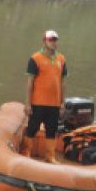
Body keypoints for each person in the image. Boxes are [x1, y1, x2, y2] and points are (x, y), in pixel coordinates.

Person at [24, 29, 67, 163]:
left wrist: (62, 103)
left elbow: (62, 82)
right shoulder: (35, 58)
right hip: (38, 102)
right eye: (51, 40)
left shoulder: (61, 59)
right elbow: (30, 83)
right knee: (32, 127)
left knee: (52, 130)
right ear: (45, 41)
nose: (54, 42)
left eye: (55, 40)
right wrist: (28, 103)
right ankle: (26, 152)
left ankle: (50, 156)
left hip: (54, 103)